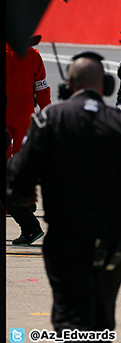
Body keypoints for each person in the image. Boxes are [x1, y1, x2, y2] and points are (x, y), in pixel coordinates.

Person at [6, 51, 121, 343]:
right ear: (108, 85)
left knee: (72, 320)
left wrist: (22, 197)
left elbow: (17, 180)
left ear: (68, 86)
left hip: (66, 240)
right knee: (101, 319)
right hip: (115, 242)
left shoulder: (49, 120)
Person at [5, 36, 51, 245]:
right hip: (25, 114)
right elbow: (42, 87)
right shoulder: (34, 55)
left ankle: (15, 204)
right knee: (23, 162)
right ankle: (26, 201)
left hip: (8, 115)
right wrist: (45, 111)